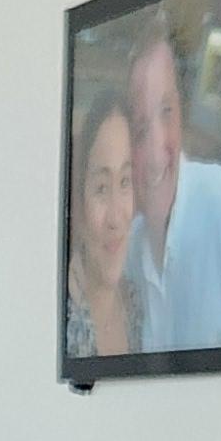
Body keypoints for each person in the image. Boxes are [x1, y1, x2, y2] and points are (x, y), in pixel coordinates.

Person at [122, 14, 221, 351]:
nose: (156, 149)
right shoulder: (129, 254)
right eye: (140, 128)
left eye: (166, 111)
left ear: (184, 114)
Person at [65, 86, 147, 360]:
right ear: (78, 201)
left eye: (125, 182)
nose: (115, 218)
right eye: (101, 188)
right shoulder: (63, 319)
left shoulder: (136, 305)